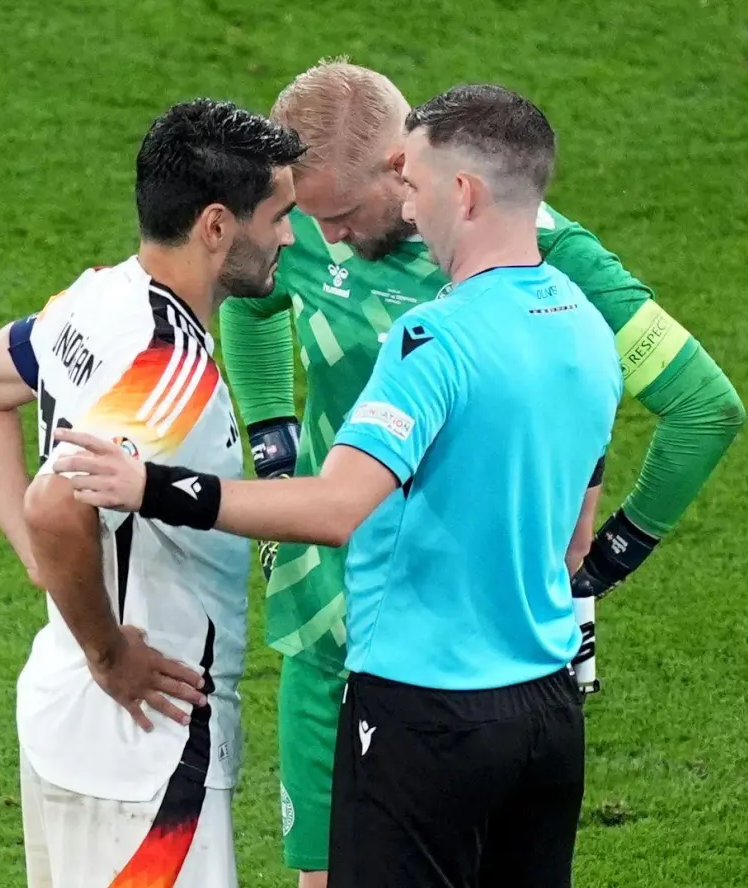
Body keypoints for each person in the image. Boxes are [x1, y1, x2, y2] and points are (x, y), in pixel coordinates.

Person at [53, 84, 617, 888]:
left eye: (412, 185)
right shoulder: (582, 323)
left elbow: (336, 506)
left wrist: (153, 486)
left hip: (424, 713)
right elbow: (575, 529)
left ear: (463, 193)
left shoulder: (433, 339)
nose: (408, 211)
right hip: (546, 711)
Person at [217, 59, 748, 886]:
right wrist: (277, 442)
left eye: (342, 214)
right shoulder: (298, 228)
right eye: (300, 216)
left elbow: (702, 405)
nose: (319, 239)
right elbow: (249, 298)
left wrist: (605, 561)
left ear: (408, 169)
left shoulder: (542, 251)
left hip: (453, 654)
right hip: (325, 618)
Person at [0, 98, 304, 888]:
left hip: (67, 720)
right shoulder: (168, 374)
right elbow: (52, 504)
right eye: (277, 216)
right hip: (145, 749)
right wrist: (108, 654)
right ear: (215, 226)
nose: (289, 236)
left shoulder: (95, 299)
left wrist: (47, 571)